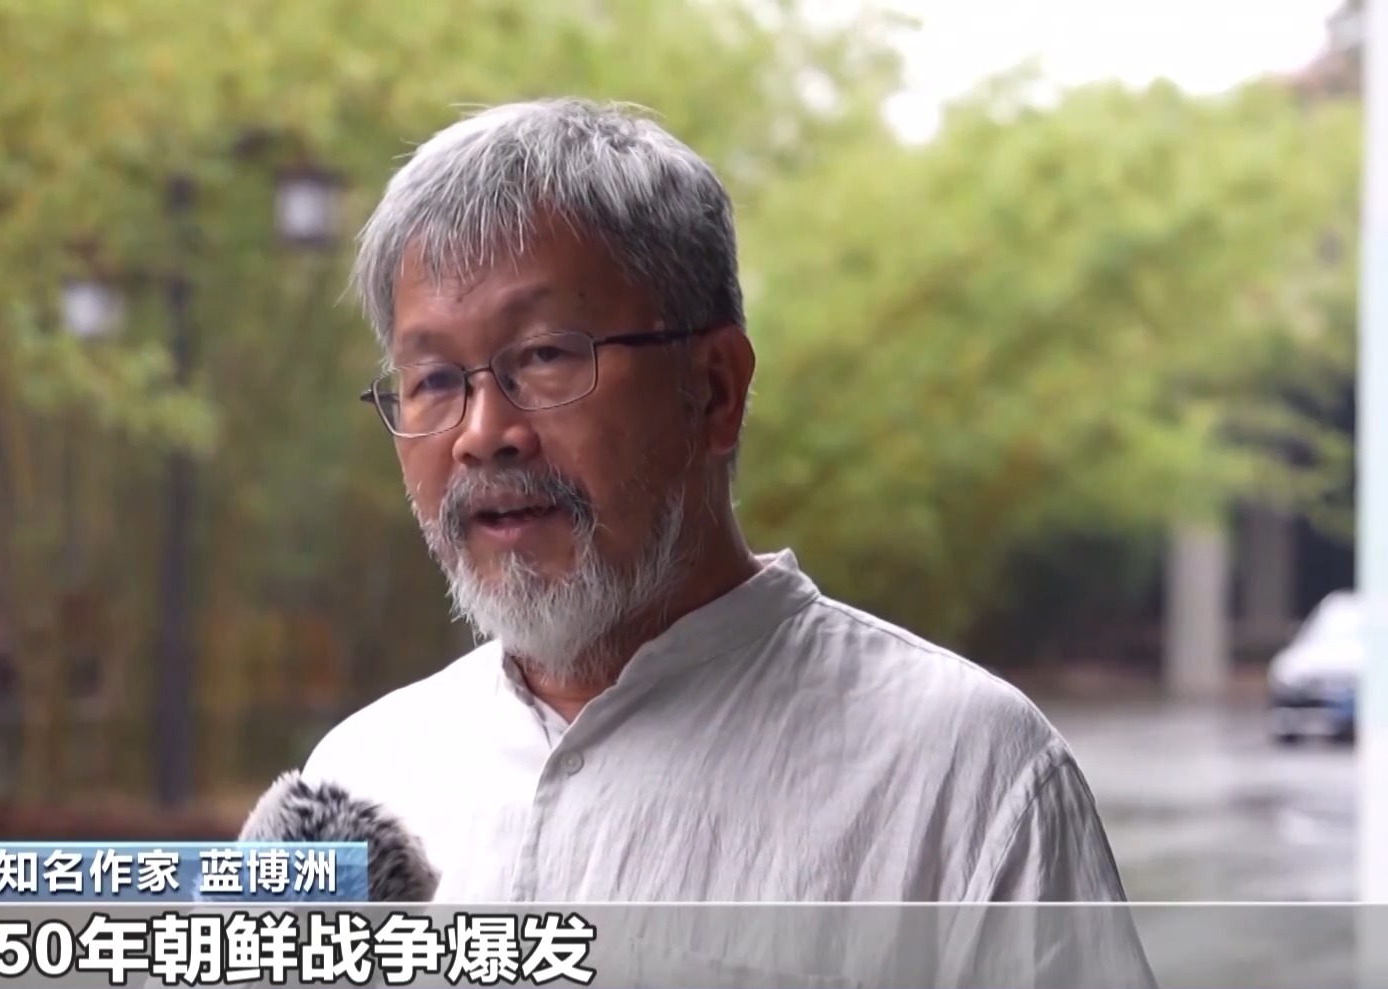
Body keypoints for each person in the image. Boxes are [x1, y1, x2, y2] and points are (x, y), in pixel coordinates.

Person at [304, 96, 1148, 909]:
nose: (484, 433)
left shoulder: (966, 776)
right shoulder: (360, 782)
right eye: (433, 379)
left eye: (547, 355)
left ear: (713, 388)